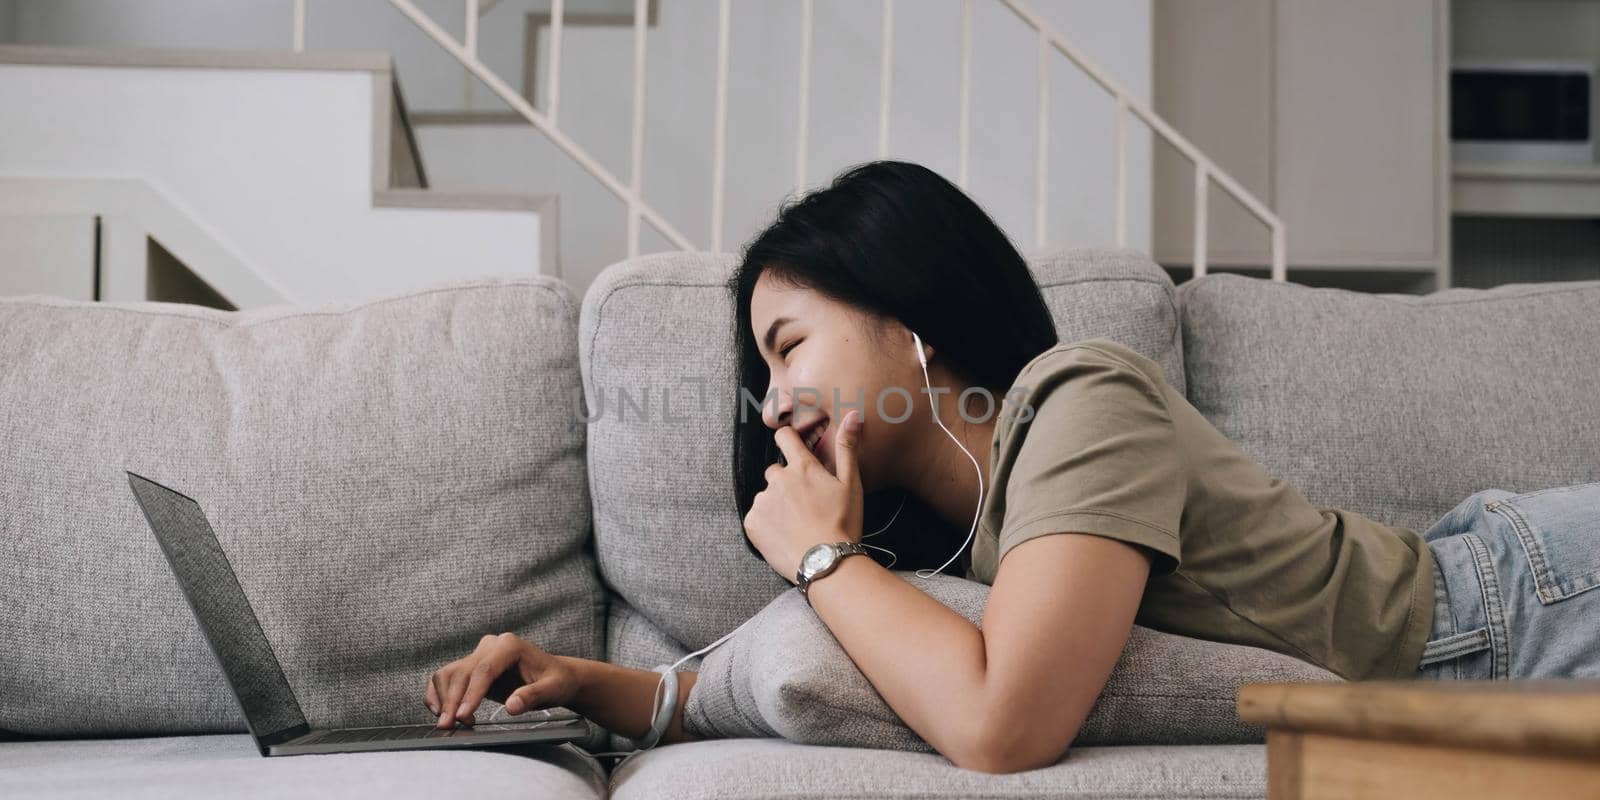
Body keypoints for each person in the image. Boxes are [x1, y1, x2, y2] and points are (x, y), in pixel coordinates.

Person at [420, 160, 1600, 774]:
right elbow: (719, 681)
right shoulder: (954, 534)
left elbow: (1002, 724)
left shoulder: (1080, 401)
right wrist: (573, 676)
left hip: (1529, 605)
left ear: (908, 316)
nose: (771, 398)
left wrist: (822, 555)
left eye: (787, 346)